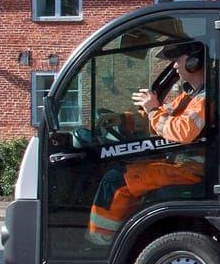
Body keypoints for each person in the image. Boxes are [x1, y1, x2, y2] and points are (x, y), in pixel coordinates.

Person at [87, 41, 211, 245]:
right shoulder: (189, 96)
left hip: (191, 169)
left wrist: (153, 109)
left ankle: (100, 244)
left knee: (117, 181)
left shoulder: (205, 98)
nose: (174, 66)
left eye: (177, 61)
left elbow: (183, 130)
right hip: (179, 164)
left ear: (194, 62)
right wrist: (123, 120)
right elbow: (161, 119)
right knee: (123, 172)